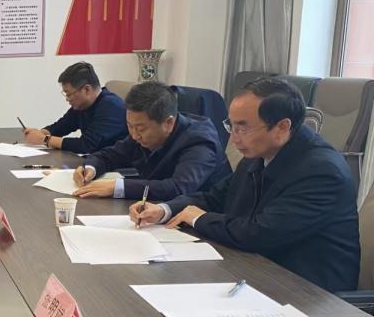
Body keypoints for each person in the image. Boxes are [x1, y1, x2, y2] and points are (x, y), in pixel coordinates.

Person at [131, 77, 360, 292]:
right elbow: (215, 197)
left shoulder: (322, 171)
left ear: (282, 127)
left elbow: (261, 233)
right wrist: (164, 209)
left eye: (242, 128)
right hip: (257, 272)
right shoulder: (260, 154)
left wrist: (199, 218)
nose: (233, 138)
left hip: (309, 293)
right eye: (231, 126)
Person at [72, 81, 231, 201]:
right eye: (129, 126)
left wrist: (117, 187)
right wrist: (90, 168)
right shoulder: (140, 133)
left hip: (198, 221)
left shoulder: (199, 140)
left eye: (140, 129)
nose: (134, 135)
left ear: (168, 123)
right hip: (155, 210)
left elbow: (178, 187)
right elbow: (110, 155)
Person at [23, 61, 126, 153]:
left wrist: (45, 139)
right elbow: (62, 126)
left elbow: (86, 145)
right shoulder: (82, 106)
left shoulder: (111, 106)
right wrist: (39, 133)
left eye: (68, 94)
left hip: (117, 165)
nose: (67, 99)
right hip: (95, 161)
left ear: (86, 90)